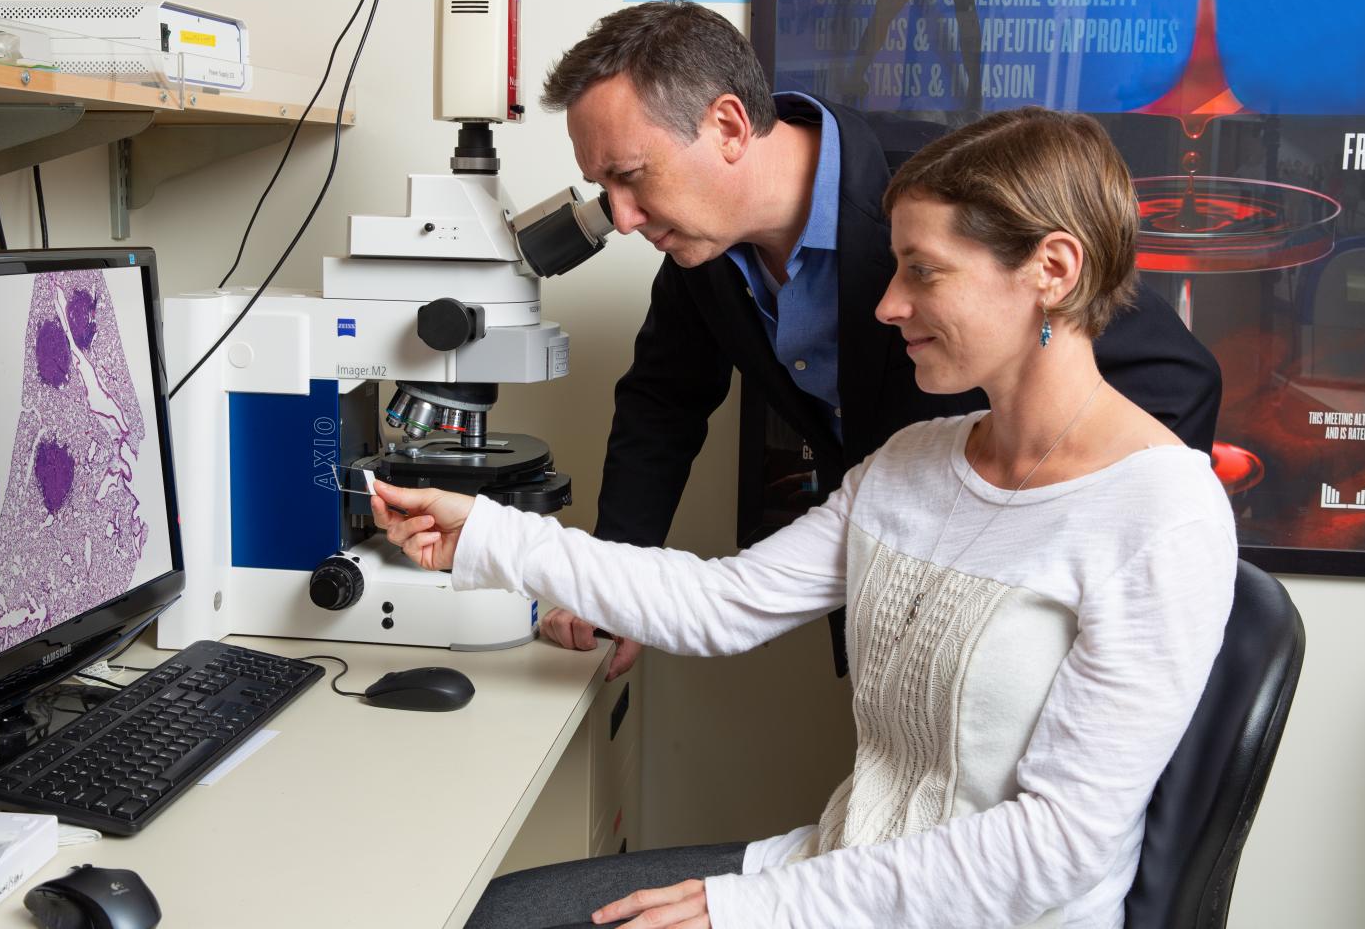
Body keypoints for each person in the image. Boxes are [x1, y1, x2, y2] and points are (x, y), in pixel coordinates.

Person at [371, 107, 1238, 929]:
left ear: (1051, 269)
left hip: (962, 908)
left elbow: (1059, 844)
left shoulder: (1163, 512)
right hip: (836, 871)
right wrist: (483, 531)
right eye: (894, 265)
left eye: (923, 271)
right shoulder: (913, 462)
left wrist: (759, 907)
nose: (887, 304)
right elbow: (719, 603)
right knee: (497, 912)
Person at [533, 0, 1223, 680]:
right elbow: (663, 404)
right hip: (889, 613)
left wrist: (1063, 572)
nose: (620, 219)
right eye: (602, 188)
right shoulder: (699, 246)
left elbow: (1177, 379)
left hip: (1013, 643)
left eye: (629, 176)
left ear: (729, 125)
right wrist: (609, 582)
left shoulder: (939, 192)